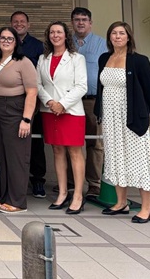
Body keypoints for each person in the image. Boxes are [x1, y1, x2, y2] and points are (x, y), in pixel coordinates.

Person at [94, 22, 150, 223]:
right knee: (115, 158)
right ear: (109, 37)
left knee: (139, 160)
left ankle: (147, 209)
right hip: (110, 118)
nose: (117, 36)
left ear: (129, 37)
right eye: (113, 33)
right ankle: (121, 202)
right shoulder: (104, 58)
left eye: (121, 33)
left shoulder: (139, 61)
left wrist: (142, 113)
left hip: (132, 118)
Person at [0, 27, 38, 214]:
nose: (6, 41)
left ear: (16, 42)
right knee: (1, 156)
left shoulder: (24, 62)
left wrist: (26, 119)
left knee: (16, 157)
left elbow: (32, 92)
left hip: (15, 110)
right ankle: (4, 196)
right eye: (2, 38)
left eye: (10, 38)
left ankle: (17, 201)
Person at [36, 21, 87, 214]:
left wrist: (62, 104)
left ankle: (78, 195)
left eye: (59, 32)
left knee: (75, 152)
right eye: (52, 32)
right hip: (50, 111)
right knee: (57, 150)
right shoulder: (43, 59)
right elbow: (38, 84)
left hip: (71, 111)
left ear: (66, 35)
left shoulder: (77, 58)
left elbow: (81, 86)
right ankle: (62, 193)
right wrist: (50, 102)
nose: (55, 35)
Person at [11, 11, 47, 199]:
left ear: (28, 24)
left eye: (22, 21)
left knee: (35, 141)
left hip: (32, 100)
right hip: (11, 101)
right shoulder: (6, 42)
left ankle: (38, 179)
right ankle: (13, 180)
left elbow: (42, 74)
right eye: (15, 22)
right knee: (12, 141)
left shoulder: (38, 46)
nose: (19, 24)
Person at [71, 7, 107, 196]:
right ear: (72, 23)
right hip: (70, 101)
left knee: (95, 142)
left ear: (90, 23)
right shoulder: (66, 43)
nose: (80, 23)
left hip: (92, 100)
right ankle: (70, 182)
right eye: (77, 19)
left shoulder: (102, 44)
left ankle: (94, 183)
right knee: (70, 141)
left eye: (84, 19)